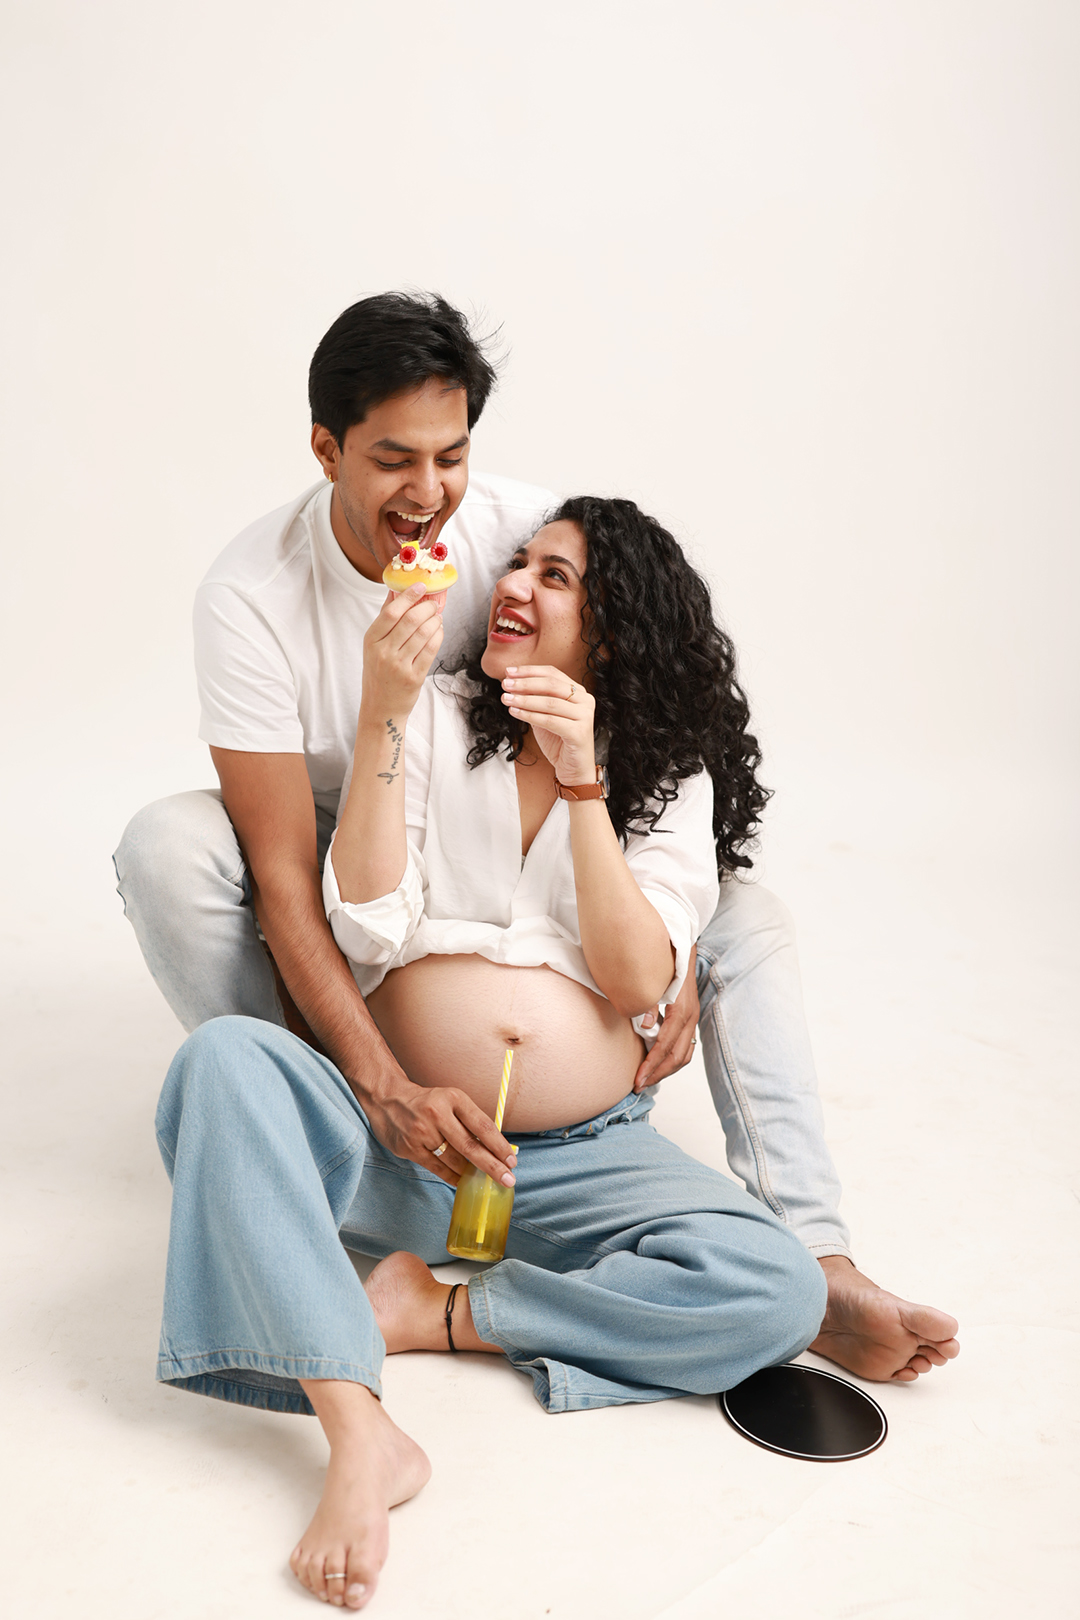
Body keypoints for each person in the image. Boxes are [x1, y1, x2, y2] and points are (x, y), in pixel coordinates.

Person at [114, 291, 959, 1392]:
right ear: (327, 451)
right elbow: (297, 880)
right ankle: (296, 1118)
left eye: (451, 457)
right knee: (170, 847)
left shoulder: (524, 536)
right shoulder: (264, 602)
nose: (432, 498)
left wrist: (674, 952)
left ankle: (803, 1262)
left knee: (749, 930)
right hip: (349, 830)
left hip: (574, 1129)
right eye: (393, 461)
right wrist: (382, 1083)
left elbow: (664, 699)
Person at [155, 499, 832, 1609]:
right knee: (223, 1062)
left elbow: (636, 979)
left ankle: (432, 1313)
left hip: (577, 1161)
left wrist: (584, 781)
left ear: (616, 630)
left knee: (777, 1289)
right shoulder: (431, 718)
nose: (510, 584)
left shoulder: (669, 776)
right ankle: (359, 1431)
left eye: (554, 577)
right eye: (519, 562)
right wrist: (383, 711)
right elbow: (366, 922)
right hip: (397, 1141)